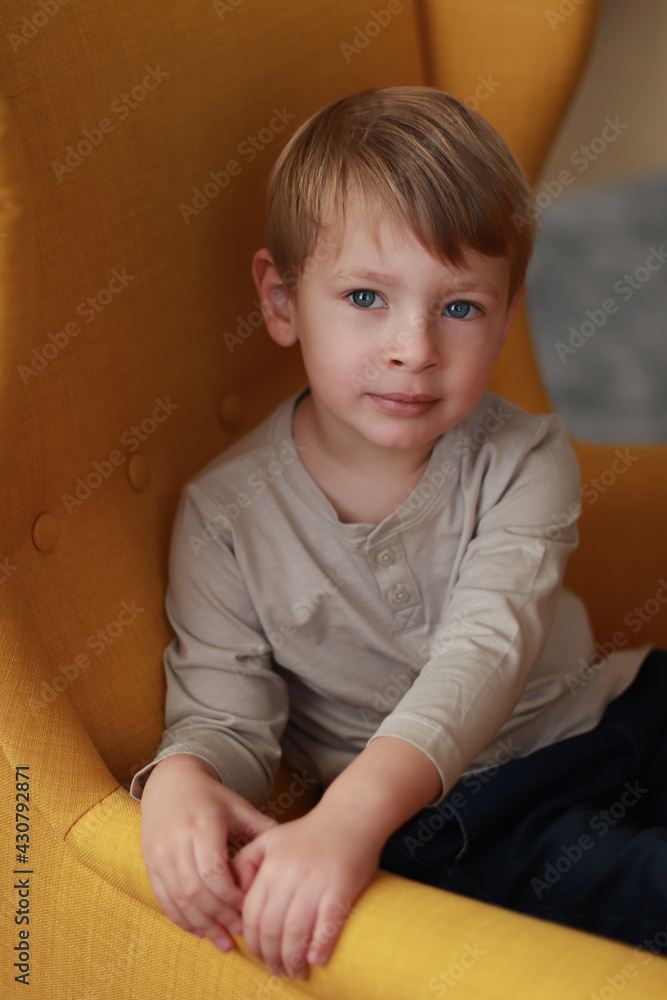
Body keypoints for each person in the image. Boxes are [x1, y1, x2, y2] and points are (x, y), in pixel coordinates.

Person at [130, 86, 664, 981]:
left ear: (505, 314)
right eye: (366, 296)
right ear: (282, 299)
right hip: (472, 820)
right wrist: (184, 778)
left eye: (459, 308)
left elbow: (484, 648)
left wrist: (344, 816)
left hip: (613, 709)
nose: (413, 347)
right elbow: (227, 717)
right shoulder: (225, 518)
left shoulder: (526, 458)